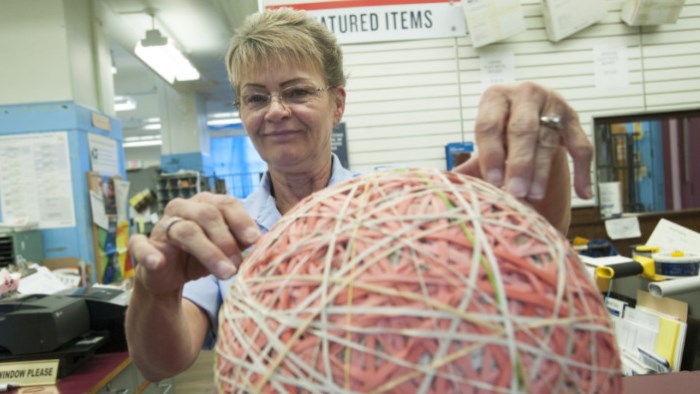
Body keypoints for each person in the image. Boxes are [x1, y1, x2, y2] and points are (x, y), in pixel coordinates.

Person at [125, 7, 593, 381]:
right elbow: (162, 363)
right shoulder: (221, 231)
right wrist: (153, 294)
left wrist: (539, 140)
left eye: (296, 91)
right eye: (256, 97)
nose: (276, 111)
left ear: (339, 103)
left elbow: (535, 238)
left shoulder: (396, 205)